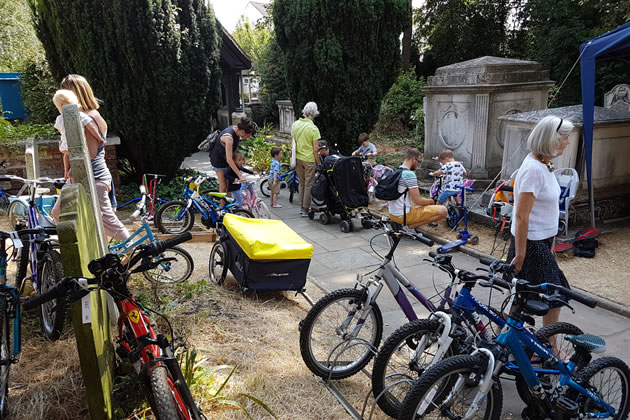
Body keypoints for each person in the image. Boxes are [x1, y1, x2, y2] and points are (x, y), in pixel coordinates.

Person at [507, 115, 573, 329]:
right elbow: (521, 216)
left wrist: (550, 244)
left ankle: (502, 340)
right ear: (551, 140)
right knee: (556, 293)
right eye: (565, 138)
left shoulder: (543, 163)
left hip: (539, 240)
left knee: (522, 295)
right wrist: (520, 254)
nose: (568, 142)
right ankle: (550, 345)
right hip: (531, 243)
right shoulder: (535, 169)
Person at [51, 78, 129, 241]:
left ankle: (133, 252)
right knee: (58, 213)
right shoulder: (71, 117)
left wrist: (63, 149)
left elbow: (90, 153)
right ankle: (85, 251)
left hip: (95, 177)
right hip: (78, 177)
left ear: (76, 94)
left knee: (107, 222)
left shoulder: (90, 117)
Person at [387, 148, 447, 229]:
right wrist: (432, 201)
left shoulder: (396, 172)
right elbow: (418, 201)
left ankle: (408, 224)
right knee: (443, 210)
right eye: (418, 161)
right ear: (413, 159)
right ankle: (412, 226)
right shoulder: (409, 175)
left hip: (392, 213)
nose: (418, 164)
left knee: (421, 207)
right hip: (404, 215)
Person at [52, 89, 103, 184]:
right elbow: (90, 126)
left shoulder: (59, 118)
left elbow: (60, 130)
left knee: (66, 155)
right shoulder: (80, 115)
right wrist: (99, 138)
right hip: (77, 146)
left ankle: (66, 171)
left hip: (65, 147)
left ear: (58, 107)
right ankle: (71, 172)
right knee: (80, 159)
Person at [210, 118, 257, 193]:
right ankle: (221, 205)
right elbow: (229, 159)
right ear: (243, 131)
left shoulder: (236, 130)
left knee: (229, 186)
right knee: (223, 187)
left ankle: (230, 204)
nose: (248, 138)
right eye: (248, 136)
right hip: (219, 161)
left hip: (227, 160)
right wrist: (240, 176)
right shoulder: (229, 138)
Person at [291, 102, 321, 217]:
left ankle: (301, 205)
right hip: (309, 159)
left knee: (301, 183)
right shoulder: (313, 128)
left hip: (297, 158)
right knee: (309, 184)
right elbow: (315, 149)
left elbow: (293, 142)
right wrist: (319, 163)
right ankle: (305, 208)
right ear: (314, 113)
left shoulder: (295, 124)